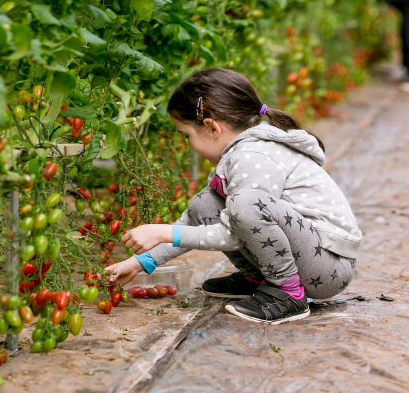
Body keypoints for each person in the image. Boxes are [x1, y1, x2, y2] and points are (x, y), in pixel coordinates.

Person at [105, 69, 361, 325]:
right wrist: (139, 262)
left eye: (186, 136)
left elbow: (233, 232)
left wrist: (163, 232)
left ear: (211, 127)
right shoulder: (237, 154)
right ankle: (260, 280)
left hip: (328, 267)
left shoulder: (253, 156)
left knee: (244, 205)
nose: (187, 145)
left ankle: (287, 295)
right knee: (205, 204)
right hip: (308, 257)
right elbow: (196, 223)